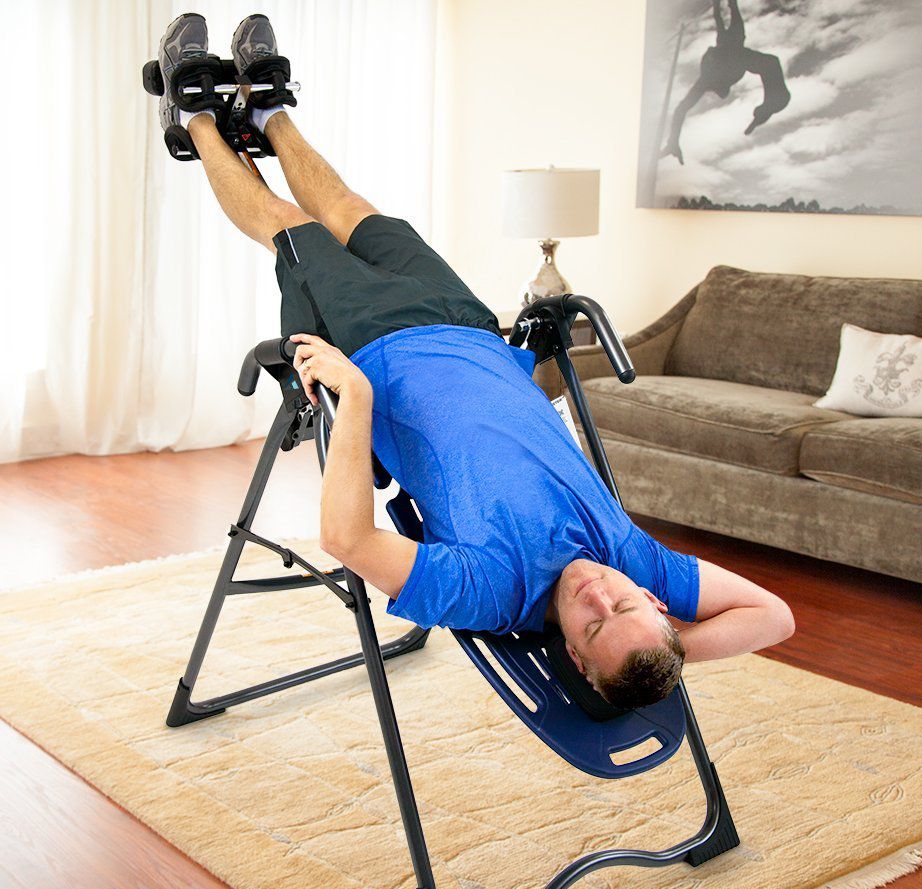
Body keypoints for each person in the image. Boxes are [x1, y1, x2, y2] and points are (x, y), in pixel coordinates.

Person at [155, 13, 795, 711]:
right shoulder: (640, 566)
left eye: (591, 625)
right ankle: (268, 111)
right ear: (652, 601)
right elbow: (775, 617)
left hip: (379, 348)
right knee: (353, 208)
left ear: (574, 657)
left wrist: (356, 397)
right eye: (624, 608)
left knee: (293, 227)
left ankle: (194, 120)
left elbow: (347, 538)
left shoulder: (491, 592)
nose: (597, 596)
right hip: (468, 328)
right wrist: (665, 646)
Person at [662, 0, 790, 164]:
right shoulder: (713, 78)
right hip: (732, 50)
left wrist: (673, 140)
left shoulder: (707, 81)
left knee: (728, 22)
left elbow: (681, 108)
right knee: (767, 59)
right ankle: (771, 103)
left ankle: (771, 103)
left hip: (728, 51)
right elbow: (681, 108)